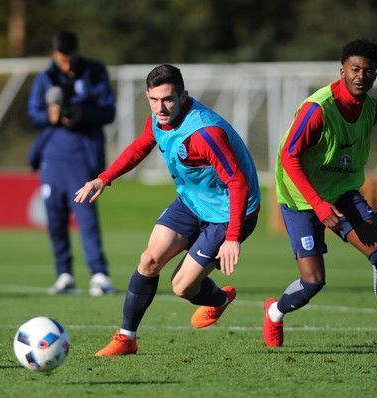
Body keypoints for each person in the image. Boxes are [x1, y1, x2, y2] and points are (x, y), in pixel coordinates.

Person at [75, 64, 261, 356]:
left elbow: (238, 183)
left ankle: (219, 300)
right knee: (149, 260)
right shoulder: (158, 119)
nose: (160, 108)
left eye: (168, 100)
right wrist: (104, 178)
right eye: (154, 100)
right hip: (191, 201)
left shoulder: (205, 133)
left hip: (229, 212)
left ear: (183, 95)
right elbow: (140, 146)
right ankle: (126, 339)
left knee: (182, 287)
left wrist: (233, 236)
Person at [266, 39, 377, 353]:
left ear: (375, 76)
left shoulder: (371, 110)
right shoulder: (317, 109)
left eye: (368, 71)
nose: (361, 76)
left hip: (342, 191)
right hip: (301, 197)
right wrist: (318, 205)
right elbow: (289, 157)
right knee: (313, 282)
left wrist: (333, 196)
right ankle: (274, 312)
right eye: (355, 69)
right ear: (342, 70)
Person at [28, 31, 115, 296]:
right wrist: (50, 116)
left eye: (69, 58)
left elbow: (108, 111)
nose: (65, 65)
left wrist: (81, 114)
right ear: (54, 55)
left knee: (86, 218)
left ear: (77, 52)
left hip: (83, 155)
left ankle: (99, 275)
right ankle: (64, 274)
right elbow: (33, 113)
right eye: (61, 59)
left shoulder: (95, 72)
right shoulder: (46, 77)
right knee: (54, 219)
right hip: (52, 157)